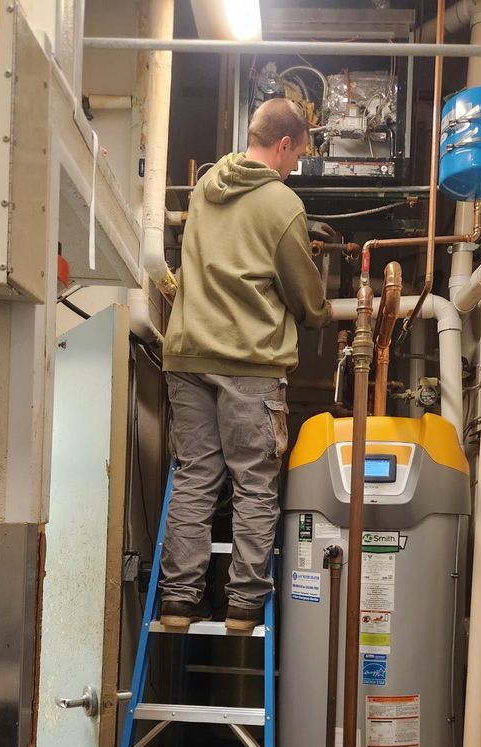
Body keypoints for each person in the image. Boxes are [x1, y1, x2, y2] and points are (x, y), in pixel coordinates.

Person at [159, 98, 332, 632]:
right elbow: (306, 300)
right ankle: (243, 605)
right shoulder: (282, 204)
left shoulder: (205, 189)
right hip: (249, 363)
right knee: (255, 481)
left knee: (195, 479)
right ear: (283, 145)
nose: (294, 166)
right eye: (297, 155)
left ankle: (177, 602)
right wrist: (321, 310)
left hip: (187, 353)